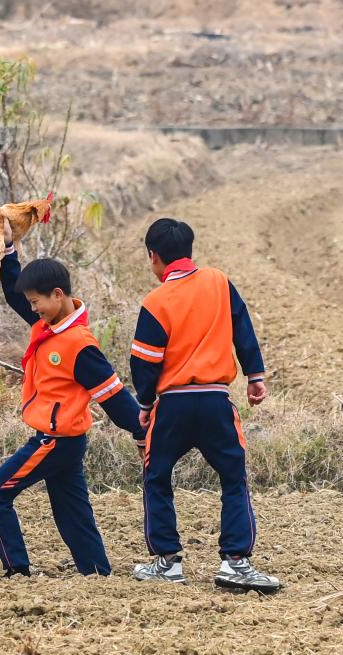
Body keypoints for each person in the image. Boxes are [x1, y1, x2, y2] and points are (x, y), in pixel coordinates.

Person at [0, 223, 145, 578]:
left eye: (36, 302)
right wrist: (9, 249)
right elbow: (14, 292)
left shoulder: (78, 344)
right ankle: (98, 573)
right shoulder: (49, 325)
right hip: (66, 441)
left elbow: (113, 396)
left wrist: (143, 429)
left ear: (57, 295)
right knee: (73, 512)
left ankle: (16, 571)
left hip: (54, 441)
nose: (32, 310)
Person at [128, 218, 280, 593]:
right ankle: (236, 564)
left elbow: (143, 362)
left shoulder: (155, 301)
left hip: (173, 404)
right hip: (216, 399)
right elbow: (243, 329)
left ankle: (166, 562)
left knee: (157, 476)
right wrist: (255, 377)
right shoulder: (219, 282)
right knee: (233, 477)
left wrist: (145, 404)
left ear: (154, 257)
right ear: (190, 251)